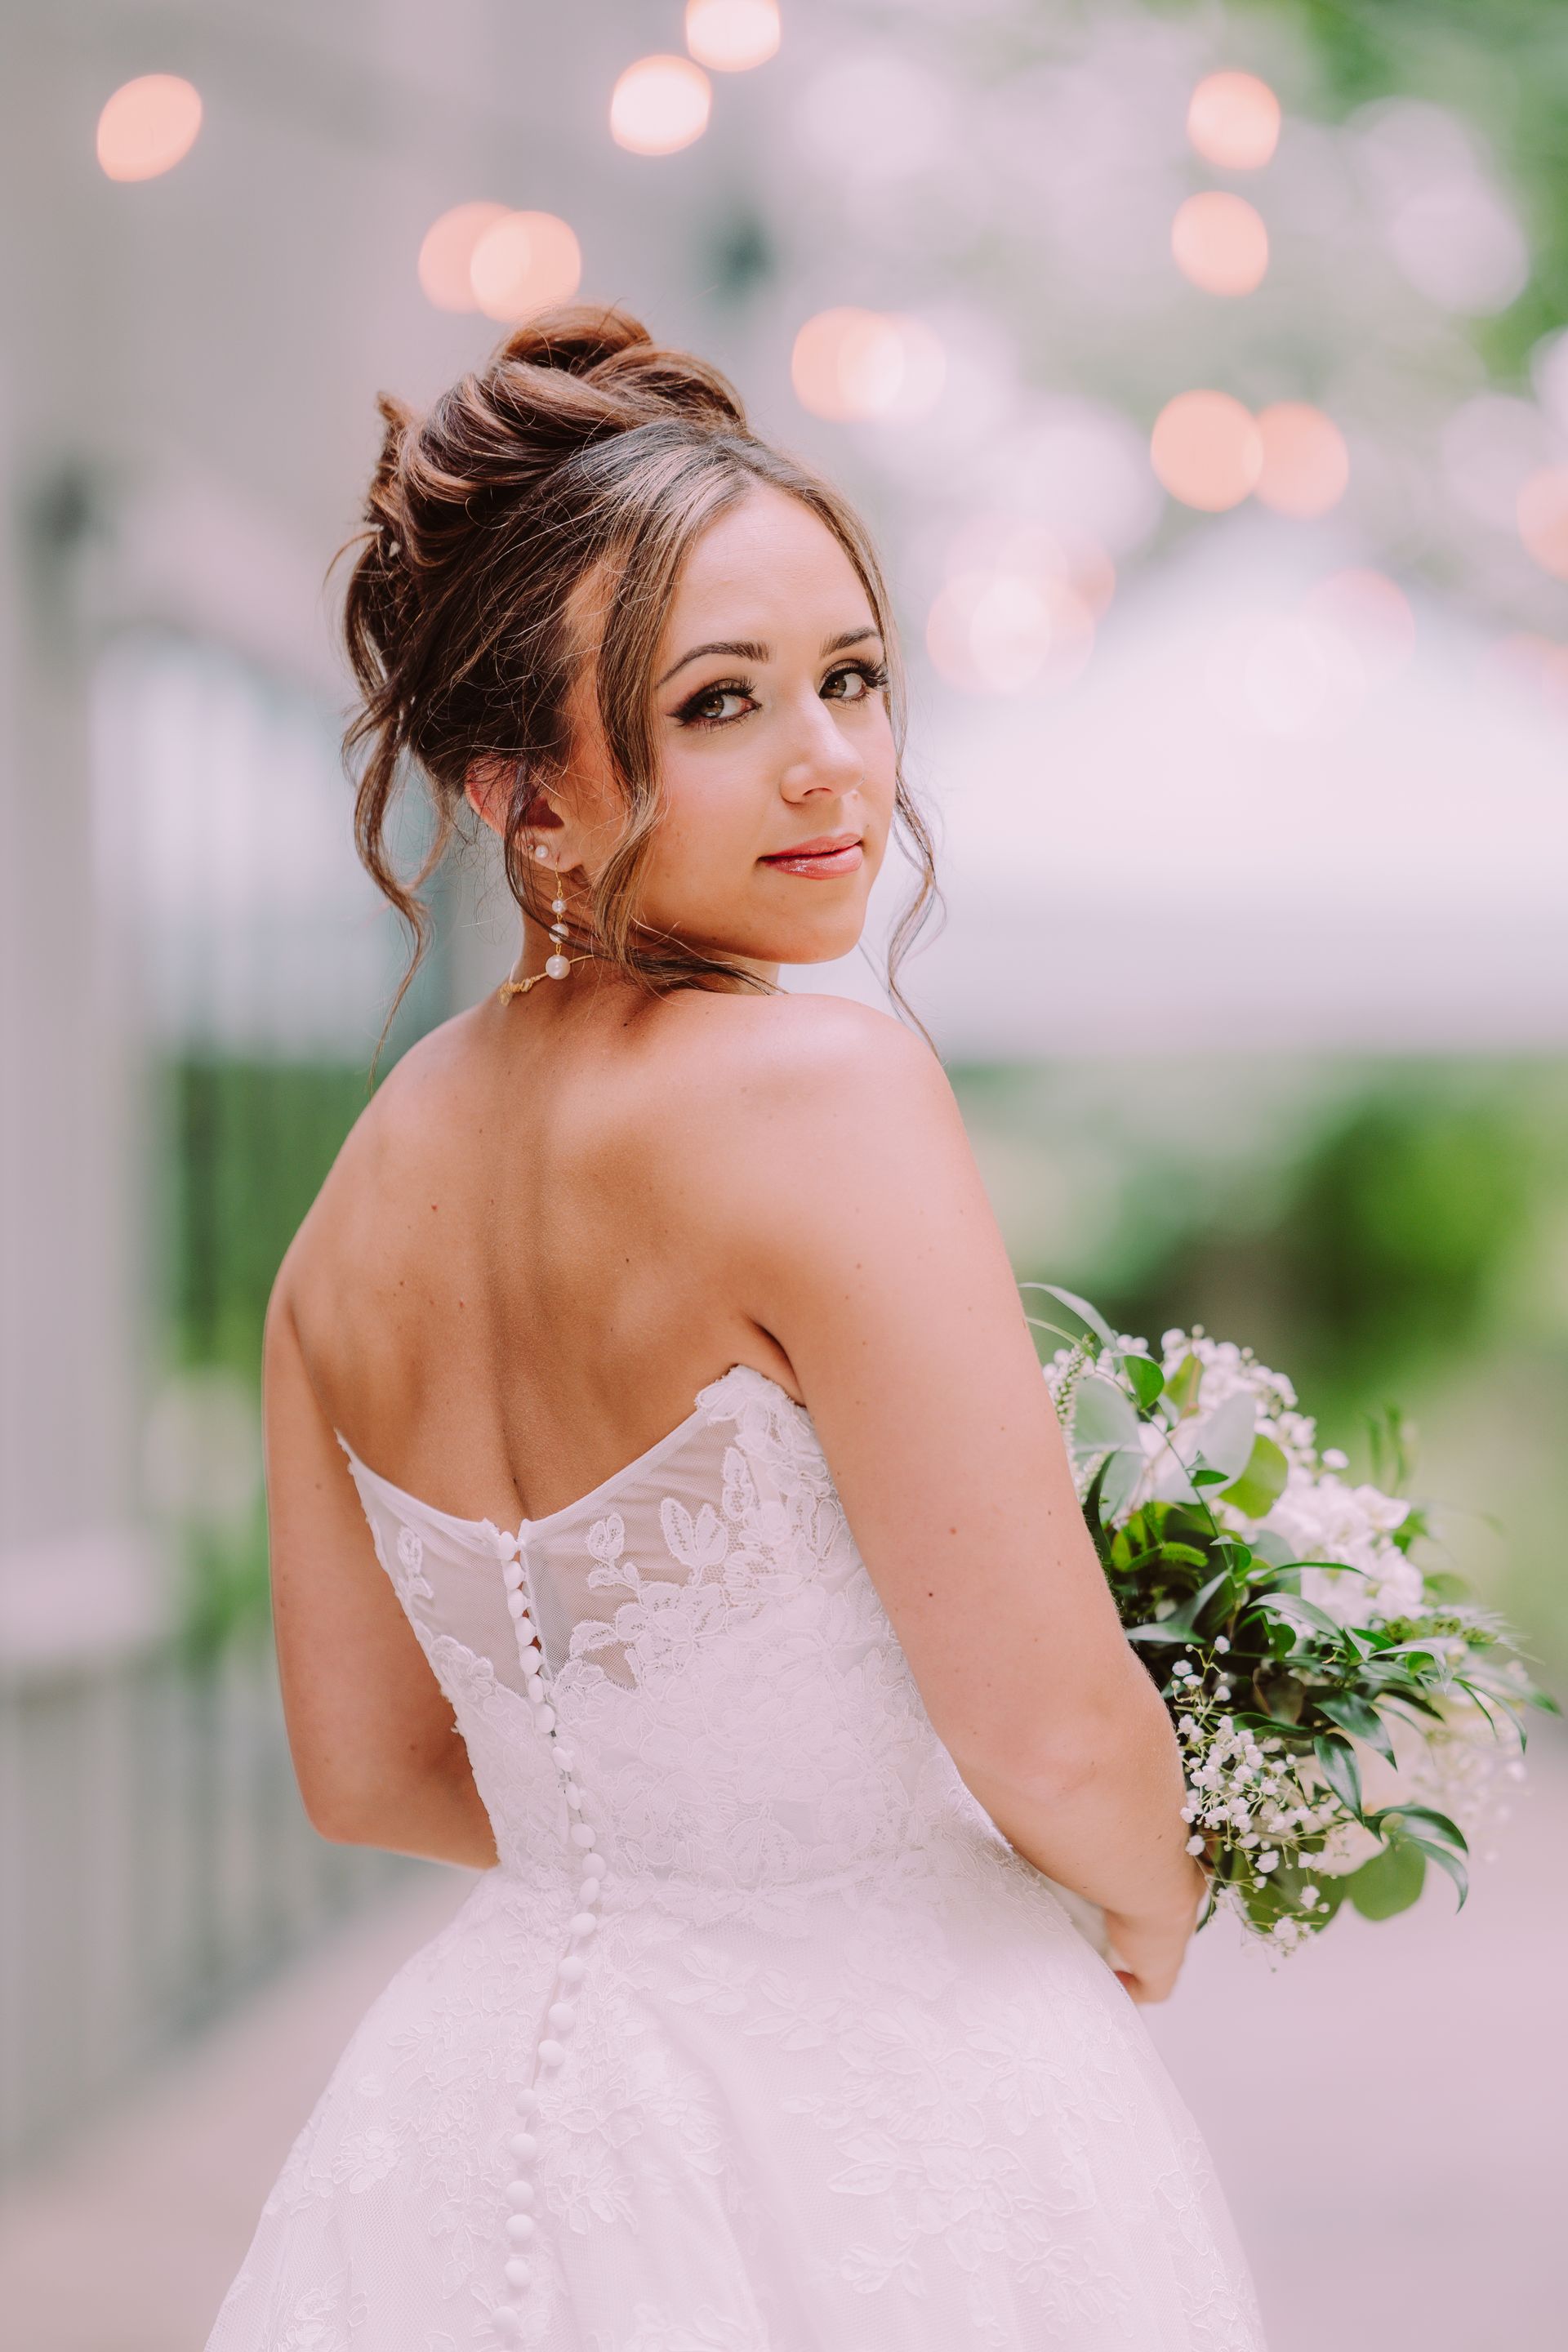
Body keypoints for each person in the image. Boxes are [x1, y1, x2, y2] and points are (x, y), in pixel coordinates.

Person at [207, 308, 1262, 2350]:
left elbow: (362, 1765)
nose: (830, 763)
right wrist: (1151, 1894)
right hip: (887, 2100)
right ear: (526, 786)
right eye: (718, 705)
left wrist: (664, 1860)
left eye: (853, 678)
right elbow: (1045, 1724)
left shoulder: (356, 1198)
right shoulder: (826, 1097)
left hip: (471, 2111)